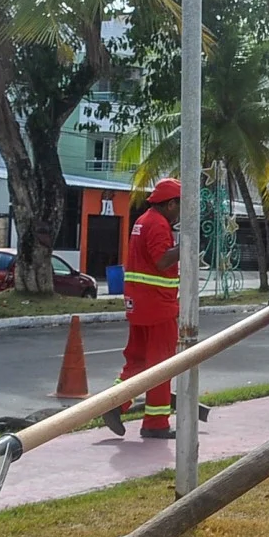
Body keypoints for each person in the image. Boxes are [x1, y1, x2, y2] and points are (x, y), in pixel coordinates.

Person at [106, 178, 181, 439]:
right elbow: (162, 261)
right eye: (181, 206)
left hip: (139, 303)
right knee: (162, 365)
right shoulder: (159, 225)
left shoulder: (143, 221)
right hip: (158, 305)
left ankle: (115, 403)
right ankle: (156, 423)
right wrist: (187, 247)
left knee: (137, 361)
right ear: (171, 204)